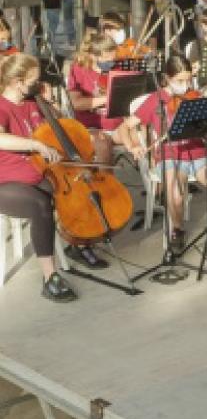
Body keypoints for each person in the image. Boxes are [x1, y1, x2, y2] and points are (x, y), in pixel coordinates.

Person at [118, 55, 207, 256]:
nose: (185, 85)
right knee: (175, 196)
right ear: (167, 78)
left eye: (188, 79)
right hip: (171, 155)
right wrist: (133, 146)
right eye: (180, 81)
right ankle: (177, 229)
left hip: (199, 154)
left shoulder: (195, 97)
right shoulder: (155, 100)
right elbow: (124, 127)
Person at [0, 53, 79, 300]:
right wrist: (35, 145)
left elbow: (61, 126)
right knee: (41, 204)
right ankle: (50, 277)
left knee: (72, 193)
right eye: (33, 80)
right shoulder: (2, 106)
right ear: (17, 82)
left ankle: (81, 242)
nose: (37, 83)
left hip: (39, 172)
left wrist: (50, 104)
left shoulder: (33, 103)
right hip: (6, 181)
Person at [66, 31, 125, 168]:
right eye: (107, 59)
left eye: (113, 58)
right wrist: (108, 98)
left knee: (146, 140)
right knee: (102, 145)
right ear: (93, 56)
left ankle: (153, 180)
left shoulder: (119, 66)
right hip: (92, 125)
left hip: (120, 125)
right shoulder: (79, 69)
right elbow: (76, 103)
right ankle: (107, 180)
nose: (111, 63)